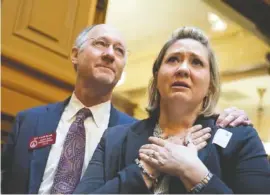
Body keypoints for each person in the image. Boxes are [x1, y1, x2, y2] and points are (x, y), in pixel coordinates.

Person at [1, 24, 252, 194]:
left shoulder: (128, 132)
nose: (110, 54)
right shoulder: (28, 121)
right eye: (101, 44)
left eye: (119, 51)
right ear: (76, 54)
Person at [74, 26, 270, 194]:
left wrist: (193, 172)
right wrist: (146, 168)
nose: (183, 69)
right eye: (173, 59)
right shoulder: (115, 139)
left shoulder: (241, 138)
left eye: (196, 62)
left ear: (210, 84)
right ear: (157, 77)